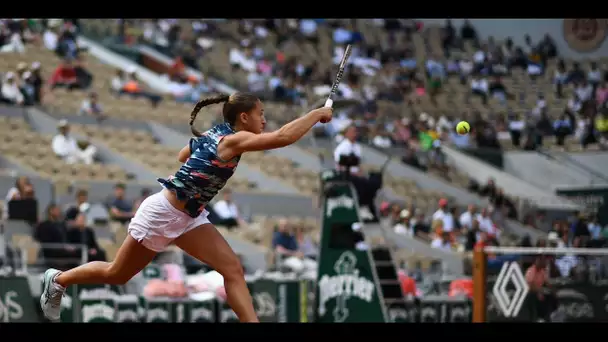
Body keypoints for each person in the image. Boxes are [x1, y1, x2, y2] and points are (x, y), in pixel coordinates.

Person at [39, 92, 333, 323]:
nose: (264, 120)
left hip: (189, 217)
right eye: (261, 114)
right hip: (162, 214)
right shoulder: (235, 138)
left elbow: (183, 154)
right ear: (244, 117)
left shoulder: (216, 133)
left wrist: (198, 161)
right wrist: (317, 114)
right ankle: (58, 279)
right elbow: (282, 138)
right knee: (117, 273)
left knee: (232, 269)